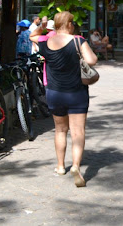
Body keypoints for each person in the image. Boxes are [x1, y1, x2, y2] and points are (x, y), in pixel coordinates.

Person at [30, 11, 97, 187]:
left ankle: (60, 166)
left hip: (54, 93)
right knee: (78, 132)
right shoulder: (78, 40)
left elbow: (32, 36)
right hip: (76, 93)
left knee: (60, 130)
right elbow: (92, 60)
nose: (74, 25)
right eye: (72, 23)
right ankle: (75, 166)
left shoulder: (45, 41)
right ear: (68, 24)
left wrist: (42, 27)